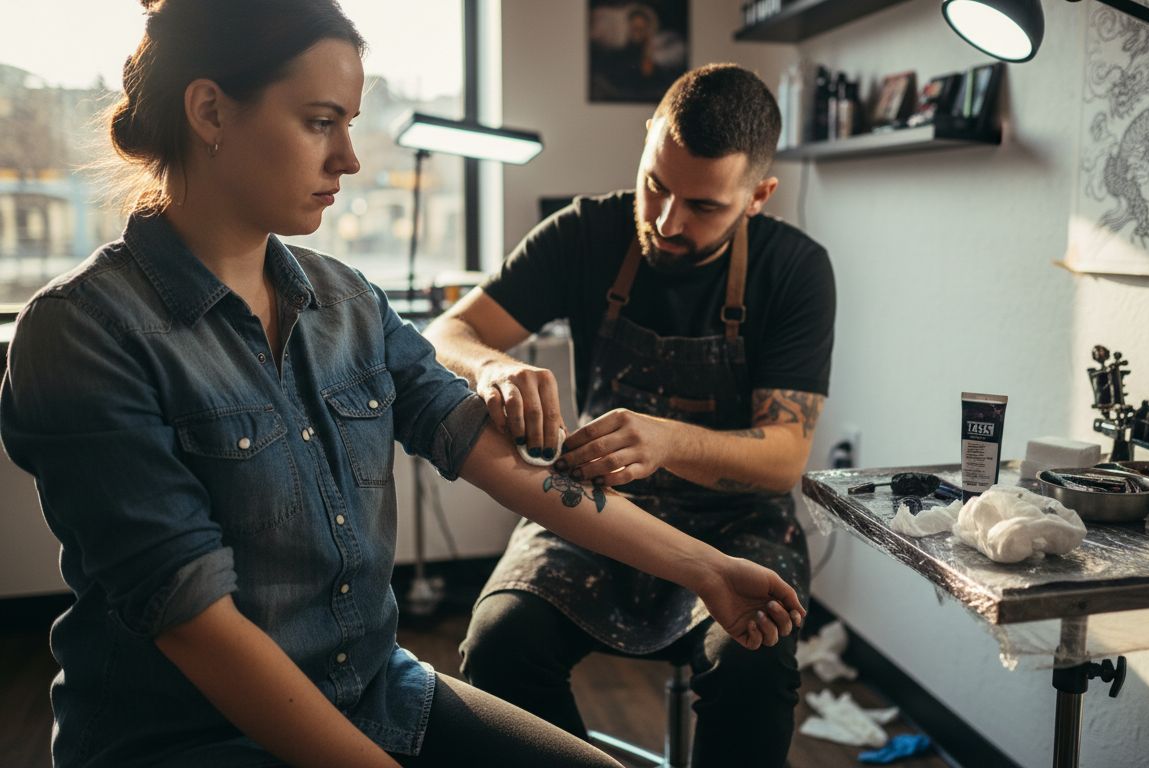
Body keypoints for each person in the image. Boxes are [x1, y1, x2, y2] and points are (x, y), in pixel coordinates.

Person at [0, 4, 805, 767]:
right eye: (321, 122)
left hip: (374, 689)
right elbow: (195, 622)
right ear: (210, 112)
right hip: (189, 735)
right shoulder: (82, 333)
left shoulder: (349, 302)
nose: (349, 158)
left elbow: (512, 467)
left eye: (349, 125)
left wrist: (707, 569)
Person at [422, 63, 836, 767]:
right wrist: (495, 365)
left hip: (739, 524)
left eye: (703, 206)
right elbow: (447, 333)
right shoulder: (587, 233)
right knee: (497, 643)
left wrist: (669, 439)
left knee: (754, 668)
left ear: (759, 195)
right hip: (597, 511)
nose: (667, 222)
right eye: (655, 185)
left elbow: (785, 454)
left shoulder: (794, 270)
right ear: (647, 143)